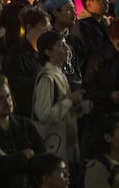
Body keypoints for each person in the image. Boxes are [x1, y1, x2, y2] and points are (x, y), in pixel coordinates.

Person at [33, 31, 85, 164]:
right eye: (60, 45)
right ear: (48, 52)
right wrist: (70, 101)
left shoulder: (59, 74)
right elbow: (44, 114)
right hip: (55, 142)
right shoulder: (47, 78)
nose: (66, 48)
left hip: (67, 139)